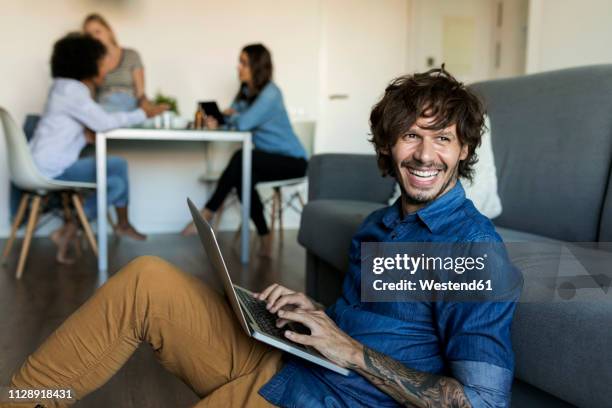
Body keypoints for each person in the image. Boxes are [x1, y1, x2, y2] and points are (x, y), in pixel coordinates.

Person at [4, 68, 520, 408]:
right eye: (411, 135)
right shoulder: (381, 227)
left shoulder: (471, 251)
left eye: (443, 139)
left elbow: (482, 401)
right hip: (291, 364)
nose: (425, 155)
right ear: (388, 145)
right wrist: (313, 313)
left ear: (464, 149)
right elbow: (384, 323)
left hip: (324, 400)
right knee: (146, 280)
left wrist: (351, 352)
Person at [29, 33, 165, 263]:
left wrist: (84, 136)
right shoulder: (73, 90)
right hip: (53, 168)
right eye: (102, 64)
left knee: (117, 183)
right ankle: (116, 224)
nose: (106, 70)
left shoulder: (62, 88)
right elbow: (104, 123)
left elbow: (69, 130)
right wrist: (145, 112)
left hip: (40, 163)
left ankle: (69, 229)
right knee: (119, 166)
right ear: (87, 64)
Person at [181, 44, 308, 258]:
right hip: (268, 159)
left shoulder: (271, 93)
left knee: (241, 159)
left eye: (243, 62)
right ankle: (265, 236)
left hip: (292, 161)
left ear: (257, 66)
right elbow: (233, 118)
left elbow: (243, 123)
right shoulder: (246, 93)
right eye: (239, 62)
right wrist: (222, 118)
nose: (238, 67)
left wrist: (228, 117)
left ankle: (207, 213)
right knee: (242, 176)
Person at [82, 13, 152, 113]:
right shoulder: (90, 62)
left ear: (109, 31)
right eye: (89, 35)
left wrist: (148, 110)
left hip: (128, 106)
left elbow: (140, 94)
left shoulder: (131, 55)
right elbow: (89, 96)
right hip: (103, 107)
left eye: (97, 32)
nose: (94, 38)